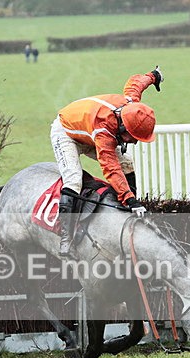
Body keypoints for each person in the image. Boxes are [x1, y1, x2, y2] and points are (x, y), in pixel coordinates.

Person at [51, 66, 163, 257]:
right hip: (67, 134)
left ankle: (126, 209)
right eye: (133, 137)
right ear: (123, 127)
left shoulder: (131, 105)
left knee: (126, 161)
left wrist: (153, 77)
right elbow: (110, 168)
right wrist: (130, 198)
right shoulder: (104, 131)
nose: (134, 141)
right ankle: (65, 237)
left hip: (87, 131)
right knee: (74, 179)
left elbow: (135, 85)